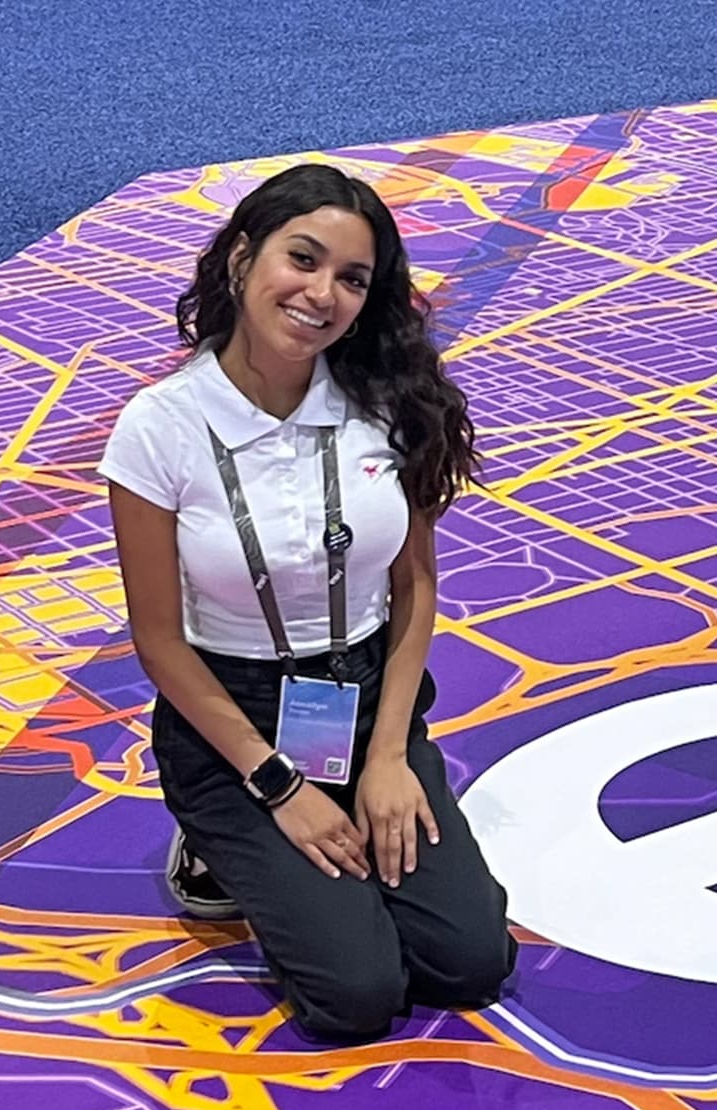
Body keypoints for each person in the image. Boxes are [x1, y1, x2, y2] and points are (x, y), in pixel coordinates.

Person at [101, 163, 516, 1042]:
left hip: (368, 702)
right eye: (303, 258)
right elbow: (160, 643)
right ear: (244, 257)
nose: (321, 293)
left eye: (353, 279)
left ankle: (348, 850)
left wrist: (392, 757)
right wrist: (279, 784)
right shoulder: (160, 427)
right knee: (357, 996)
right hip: (234, 722)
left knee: (472, 964)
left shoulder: (392, 405)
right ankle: (218, 843)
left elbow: (415, 586)